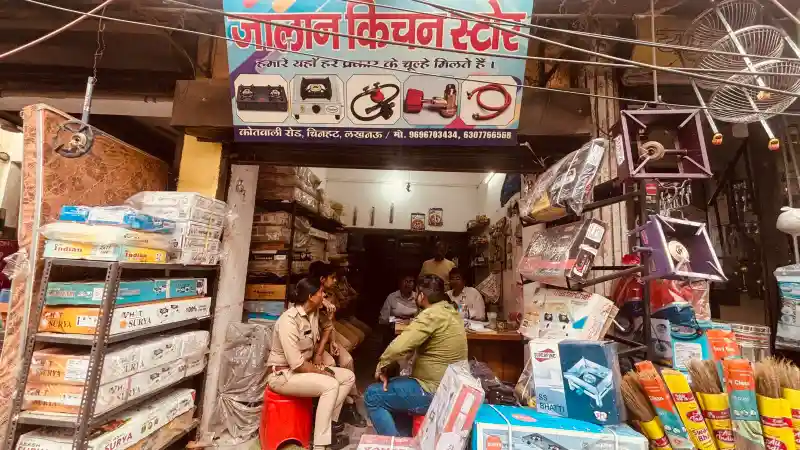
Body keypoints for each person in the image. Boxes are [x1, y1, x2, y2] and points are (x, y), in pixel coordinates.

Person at [364, 275, 468, 437]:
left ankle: (397, 445)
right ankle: (406, 438)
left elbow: (399, 346)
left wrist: (381, 365)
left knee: (373, 395)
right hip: (452, 387)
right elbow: (411, 346)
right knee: (396, 385)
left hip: (434, 391)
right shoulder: (450, 311)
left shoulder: (431, 314)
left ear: (421, 295)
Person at [266, 278, 355, 450]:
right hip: (284, 375)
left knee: (347, 377)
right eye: (320, 292)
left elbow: (328, 327)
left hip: (302, 370)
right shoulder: (288, 320)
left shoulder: (313, 313)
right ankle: (320, 444)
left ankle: (327, 425)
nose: (324, 295)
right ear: (310, 297)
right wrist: (321, 372)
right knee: (330, 385)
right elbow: (297, 364)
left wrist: (319, 354)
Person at [308, 262, 366, 427]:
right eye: (332, 277)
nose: (335, 281)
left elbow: (329, 324)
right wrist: (322, 302)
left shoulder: (329, 294)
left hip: (326, 337)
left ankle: (349, 403)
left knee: (347, 360)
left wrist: (333, 341)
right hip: (313, 342)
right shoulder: (308, 292)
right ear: (322, 279)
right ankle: (335, 409)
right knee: (331, 364)